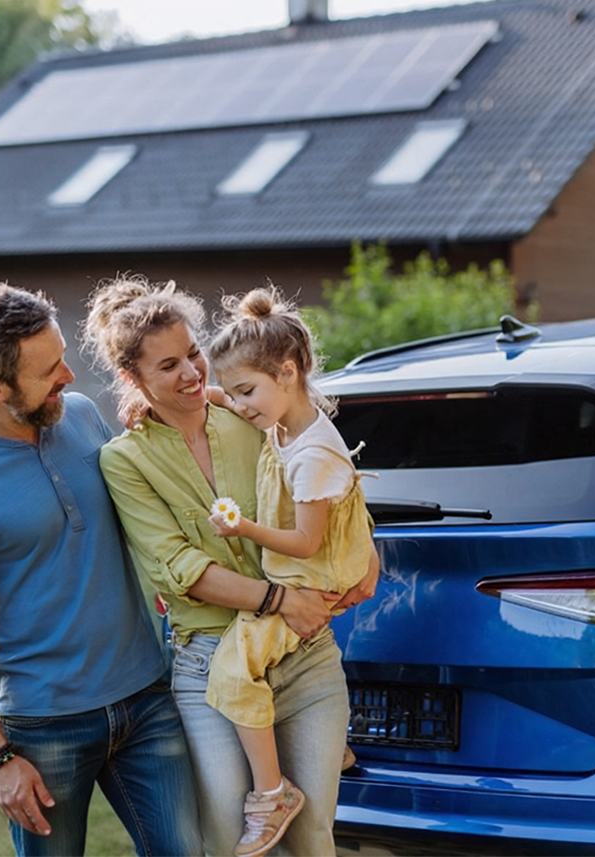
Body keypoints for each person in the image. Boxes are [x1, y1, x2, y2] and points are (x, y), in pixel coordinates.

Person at [85, 275, 377, 857]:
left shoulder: (248, 412)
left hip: (304, 654)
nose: (192, 373)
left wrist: (370, 553)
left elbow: (327, 478)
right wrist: (278, 599)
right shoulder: (126, 460)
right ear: (133, 379)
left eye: (193, 353)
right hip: (211, 662)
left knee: (313, 835)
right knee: (225, 835)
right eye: (167, 366)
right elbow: (179, 568)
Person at [0, 282, 200, 857]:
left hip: (147, 697)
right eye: (48, 371)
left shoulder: (85, 417)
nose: (68, 375)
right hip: (46, 727)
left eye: (62, 355)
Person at [200, 287, 375, 857]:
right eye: (235, 394)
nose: (242, 405)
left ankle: (272, 793)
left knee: (231, 672)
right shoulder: (287, 422)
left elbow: (305, 542)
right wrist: (210, 396)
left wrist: (243, 528)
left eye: (247, 391)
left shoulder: (313, 455)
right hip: (306, 578)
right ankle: (329, 747)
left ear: (289, 372)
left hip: (305, 579)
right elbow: (239, 403)